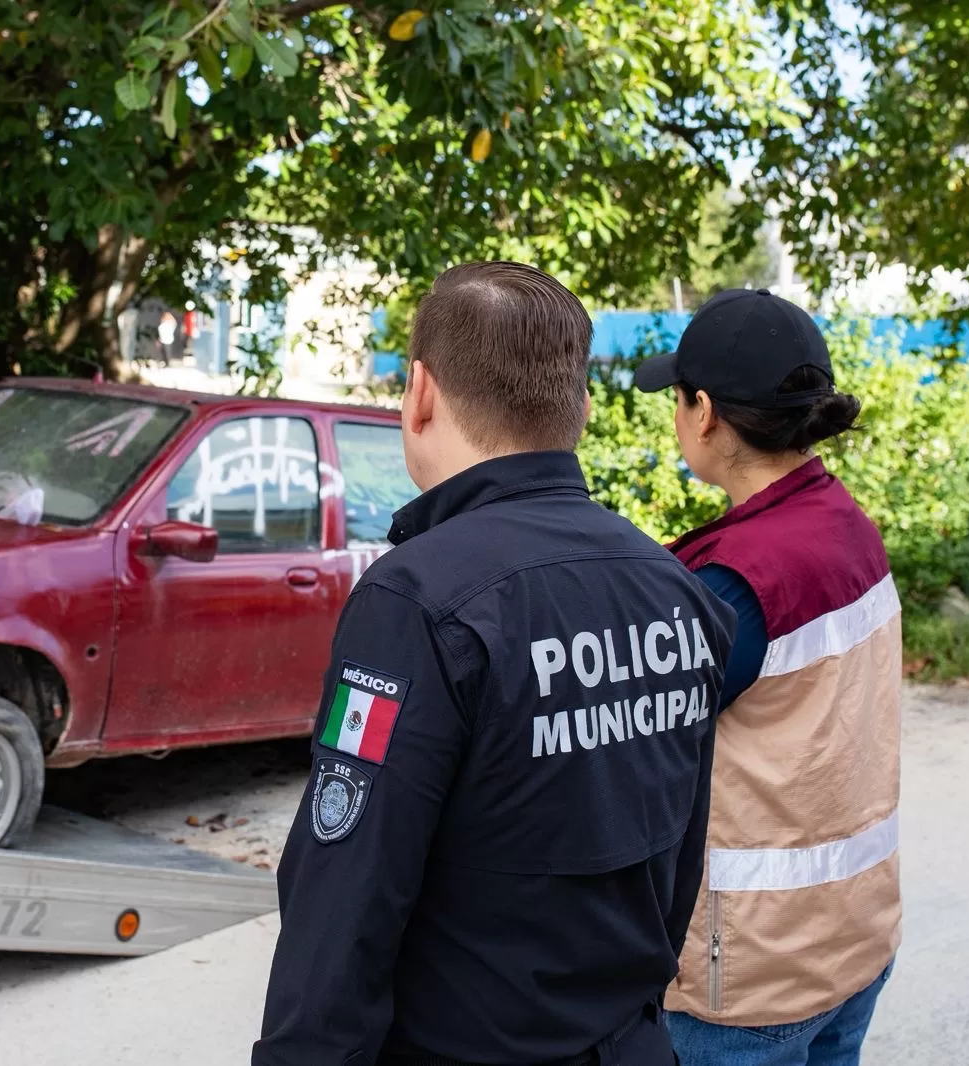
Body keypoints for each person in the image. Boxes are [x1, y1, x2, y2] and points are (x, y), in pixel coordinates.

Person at [253, 262, 738, 1066]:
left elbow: (345, 899)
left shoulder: (413, 601)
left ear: (419, 394)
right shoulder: (674, 587)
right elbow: (678, 859)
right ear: (580, 408)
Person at [633, 288, 902, 1066]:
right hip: (854, 939)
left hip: (749, 979)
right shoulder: (845, 525)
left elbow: (638, 752)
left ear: (705, 411)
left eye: (677, 400)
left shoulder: (739, 583)